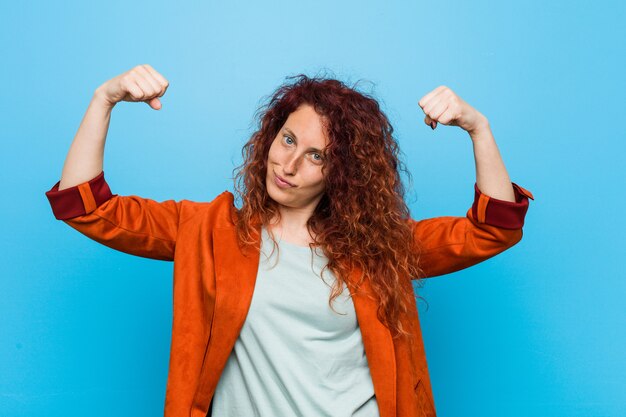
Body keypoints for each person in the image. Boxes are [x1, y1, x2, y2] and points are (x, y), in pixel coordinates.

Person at [45, 64, 534, 417]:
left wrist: (478, 128)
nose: (290, 164)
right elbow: (84, 206)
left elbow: (496, 228)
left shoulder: (379, 248)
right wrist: (103, 99)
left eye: (318, 156)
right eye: (288, 140)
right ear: (270, 137)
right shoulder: (208, 232)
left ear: (342, 175)